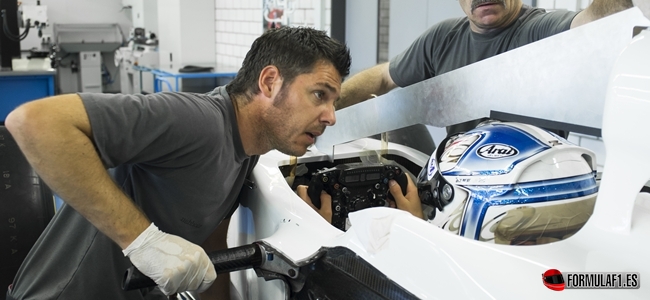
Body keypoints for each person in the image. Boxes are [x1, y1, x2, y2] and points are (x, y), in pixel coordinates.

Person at [4, 26, 351, 300]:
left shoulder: (248, 146)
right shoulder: (197, 121)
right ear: (270, 82)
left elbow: (212, 241)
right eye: (319, 95)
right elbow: (34, 122)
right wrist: (144, 241)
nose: (331, 116)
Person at [335, 0, 636, 155]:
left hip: (532, 195)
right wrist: (329, 108)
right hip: (456, 188)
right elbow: (383, 77)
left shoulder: (542, 30)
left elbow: (600, 21)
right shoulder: (443, 37)